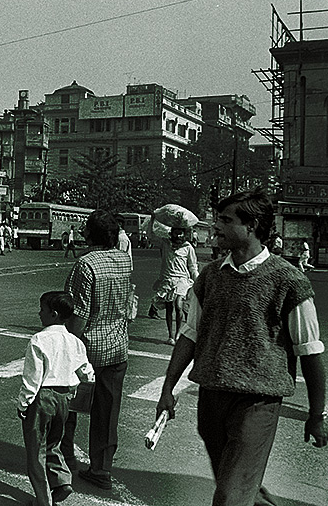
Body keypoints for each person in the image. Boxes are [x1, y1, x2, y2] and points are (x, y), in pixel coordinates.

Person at [156, 188, 326, 506]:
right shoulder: (209, 277)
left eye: (225, 220)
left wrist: (317, 414)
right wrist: (167, 388)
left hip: (256, 405)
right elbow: (189, 335)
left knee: (230, 497)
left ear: (251, 225)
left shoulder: (289, 281)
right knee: (236, 486)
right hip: (211, 401)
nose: (216, 226)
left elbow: (310, 351)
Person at [62, 210, 133, 490]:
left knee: (67, 408)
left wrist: (66, 347)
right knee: (107, 412)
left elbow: (78, 314)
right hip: (117, 348)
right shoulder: (124, 260)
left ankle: (64, 461)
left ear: (89, 234)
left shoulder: (86, 265)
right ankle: (101, 469)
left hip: (87, 350)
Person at [17, 291, 94, 506]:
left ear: (53, 314)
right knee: (54, 443)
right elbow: (86, 372)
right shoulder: (75, 341)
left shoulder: (39, 339)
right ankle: (62, 481)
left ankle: (43, 500)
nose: (39, 313)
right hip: (64, 399)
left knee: (36, 452)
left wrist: (23, 403)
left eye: (42, 309)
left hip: (43, 399)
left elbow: (32, 378)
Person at [150, 226, 198, 345]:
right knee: (169, 307)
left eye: (181, 233)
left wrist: (197, 280)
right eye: (176, 233)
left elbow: (192, 266)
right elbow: (151, 236)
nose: (178, 236)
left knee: (178, 305)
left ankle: (178, 334)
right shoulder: (165, 244)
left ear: (184, 234)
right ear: (172, 234)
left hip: (181, 280)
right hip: (167, 280)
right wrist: (152, 219)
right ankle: (171, 335)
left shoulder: (188, 247)